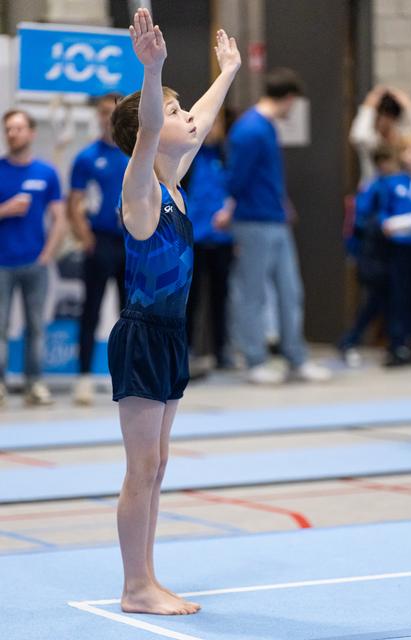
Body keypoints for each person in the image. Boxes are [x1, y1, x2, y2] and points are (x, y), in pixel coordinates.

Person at [107, 8, 240, 614]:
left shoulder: (175, 185)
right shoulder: (140, 191)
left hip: (170, 334)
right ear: (151, 135)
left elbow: (202, 120)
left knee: (157, 466)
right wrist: (153, 71)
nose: (192, 119)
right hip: (140, 335)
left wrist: (230, 72)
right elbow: (153, 132)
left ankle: (149, 578)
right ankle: (136, 588)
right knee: (141, 469)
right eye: (176, 113)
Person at [216, 68, 331, 384]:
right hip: (253, 221)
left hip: (275, 218)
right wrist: (230, 207)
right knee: (252, 293)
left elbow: (266, 176)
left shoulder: (265, 127)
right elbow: (236, 178)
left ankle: (296, 357)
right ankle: (254, 359)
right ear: (290, 98)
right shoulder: (250, 130)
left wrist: (283, 203)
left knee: (290, 290)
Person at [0, 109, 65, 406]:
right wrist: (6, 210)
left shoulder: (45, 173)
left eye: (18, 128)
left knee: (36, 327)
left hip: (34, 262)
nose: (13, 134)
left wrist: (48, 254)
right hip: (3, 263)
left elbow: (59, 217)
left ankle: (34, 383)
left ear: (31, 132)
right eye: (8, 129)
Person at [68, 93, 129, 405]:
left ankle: (128, 375)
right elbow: (74, 202)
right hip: (100, 240)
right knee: (90, 309)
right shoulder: (87, 157)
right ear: (98, 116)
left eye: (113, 113)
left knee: (131, 314)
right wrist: (85, 236)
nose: (108, 118)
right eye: (103, 113)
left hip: (131, 242)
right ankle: (83, 378)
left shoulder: (135, 154)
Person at [339, 147, 397, 366]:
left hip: (389, 252)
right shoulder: (372, 187)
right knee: (375, 301)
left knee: (384, 301)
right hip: (371, 253)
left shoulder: (394, 184)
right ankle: (349, 341)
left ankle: (394, 345)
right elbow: (359, 221)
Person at [186, 112, 234, 370]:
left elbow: (235, 192)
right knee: (190, 300)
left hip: (222, 239)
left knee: (221, 298)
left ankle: (221, 351)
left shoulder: (228, 158)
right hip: (193, 239)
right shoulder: (187, 157)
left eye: (217, 123)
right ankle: (188, 349)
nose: (212, 128)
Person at [380, 135, 411, 366]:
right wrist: (386, 224)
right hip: (399, 248)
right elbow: (383, 213)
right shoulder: (392, 183)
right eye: (407, 150)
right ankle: (398, 344)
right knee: (399, 296)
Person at [350, 86, 411, 182]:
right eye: (377, 116)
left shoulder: (404, 139)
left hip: (402, 193)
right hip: (375, 192)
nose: (380, 121)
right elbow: (358, 137)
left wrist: (409, 106)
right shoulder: (372, 141)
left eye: (386, 117)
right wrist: (368, 106)